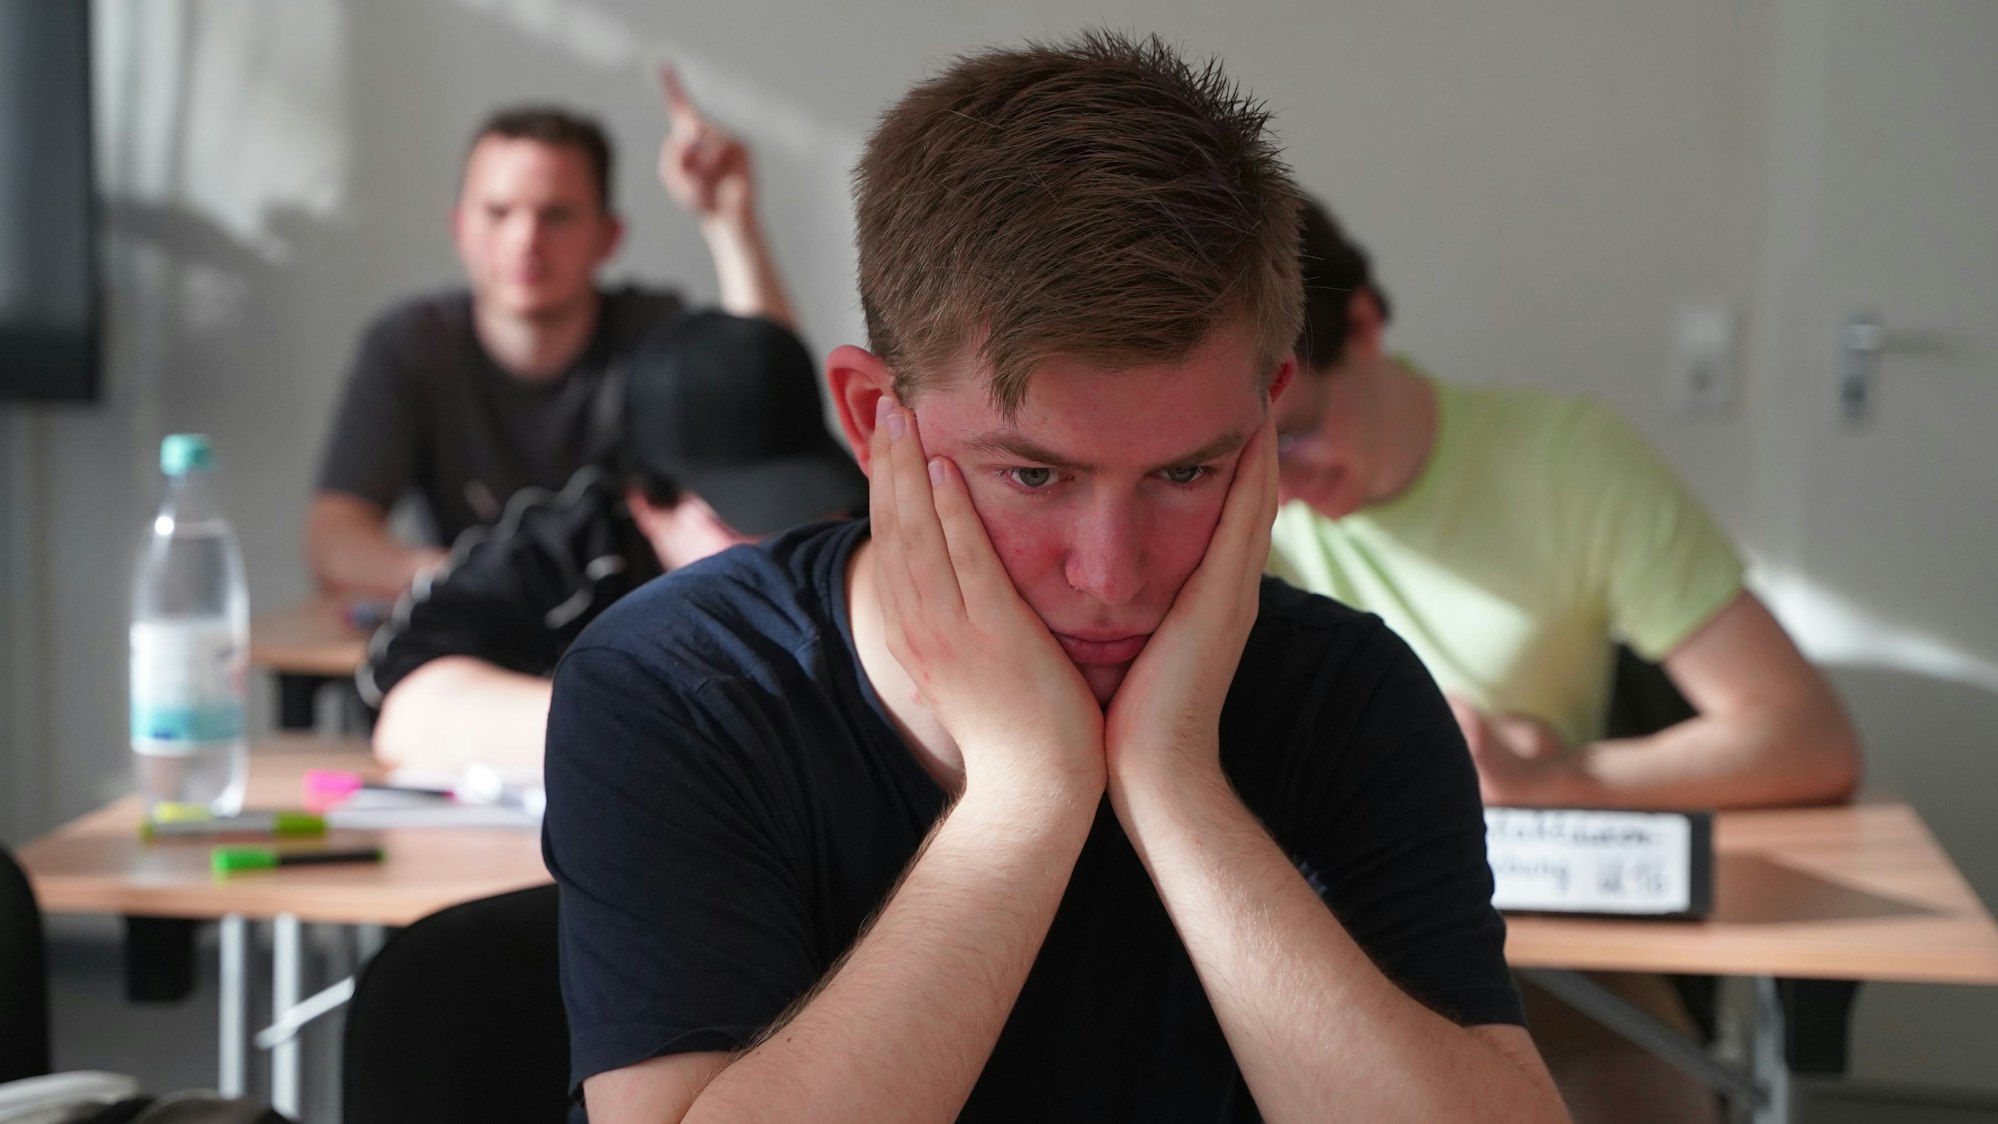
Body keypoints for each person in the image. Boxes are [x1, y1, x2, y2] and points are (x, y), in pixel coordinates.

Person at [544, 32, 1567, 1124]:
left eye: (1187, 470)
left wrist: (1174, 779)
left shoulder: (1349, 696)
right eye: (1033, 473)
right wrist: (1028, 796)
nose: (1111, 573)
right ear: (868, 416)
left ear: (1266, 417)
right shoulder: (678, 688)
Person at [1267, 197, 1864, 1122]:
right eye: (1243, 453)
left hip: (1546, 953)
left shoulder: (1570, 464)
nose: (1278, 489)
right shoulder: (1232, 503)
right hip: (1311, 930)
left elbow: (1807, 736)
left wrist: (1556, 777)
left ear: (1365, 326)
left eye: (1297, 433)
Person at [310, 70, 794, 601]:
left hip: (636, 633)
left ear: (608, 237)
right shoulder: (411, 344)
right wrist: (475, 582)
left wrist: (729, 221)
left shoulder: (653, 332)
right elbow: (335, 537)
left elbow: (774, 417)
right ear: (459, 229)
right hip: (478, 632)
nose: (525, 240)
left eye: (556, 215)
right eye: (498, 213)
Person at [358, 311, 866, 774]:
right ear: (647, 503)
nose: (790, 546)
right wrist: (670, 723)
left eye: (809, 508)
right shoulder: (567, 555)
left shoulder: (867, 530)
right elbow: (410, 715)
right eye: (744, 519)